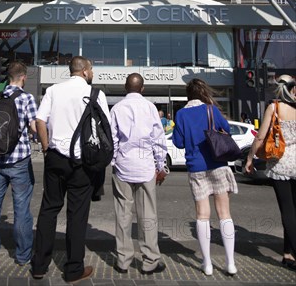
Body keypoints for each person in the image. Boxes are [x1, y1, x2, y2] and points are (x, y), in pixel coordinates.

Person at [31, 56, 110, 283]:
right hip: (82, 162)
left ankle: (39, 265)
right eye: (92, 68)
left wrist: (46, 148)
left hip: (55, 158)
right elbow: (106, 129)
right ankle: (74, 268)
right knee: (77, 215)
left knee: (49, 208)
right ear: (84, 71)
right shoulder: (96, 95)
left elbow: (39, 120)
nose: (92, 72)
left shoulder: (54, 91)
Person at [172, 78, 238, 277]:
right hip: (217, 164)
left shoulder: (181, 114)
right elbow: (226, 129)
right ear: (203, 93)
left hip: (196, 167)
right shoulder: (211, 109)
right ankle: (230, 263)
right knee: (224, 213)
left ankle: (207, 263)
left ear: (188, 95)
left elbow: (178, 142)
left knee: (202, 215)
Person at [0, 61, 37, 266]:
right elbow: (33, 127)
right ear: (23, 77)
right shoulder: (26, 98)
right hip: (19, 159)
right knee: (21, 208)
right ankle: (22, 256)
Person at [110, 73, 168, 275]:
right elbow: (158, 140)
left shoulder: (117, 108)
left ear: (125, 87)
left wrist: (114, 162)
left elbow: (113, 140)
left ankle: (123, 260)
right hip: (145, 167)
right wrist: (160, 165)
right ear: (142, 89)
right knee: (148, 215)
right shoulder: (150, 108)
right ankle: (150, 260)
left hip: (123, 166)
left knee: (122, 214)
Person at [245, 74, 296, 271]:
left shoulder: (274, 108)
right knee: (294, 210)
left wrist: (250, 157)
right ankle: (288, 254)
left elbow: (260, 137)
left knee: (287, 210)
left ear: (278, 88)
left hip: (281, 162)